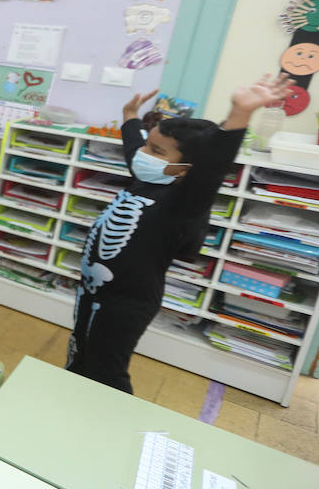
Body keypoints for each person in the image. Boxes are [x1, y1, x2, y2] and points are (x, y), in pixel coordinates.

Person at [68, 76, 289, 393]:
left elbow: (211, 169)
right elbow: (135, 150)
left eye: (155, 150)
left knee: (107, 369)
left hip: (127, 302)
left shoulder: (182, 203)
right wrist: (130, 116)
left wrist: (238, 115)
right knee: (81, 350)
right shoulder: (150, 177)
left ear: (187, 168)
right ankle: (72, 400)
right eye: (148, 145)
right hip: (92, 291)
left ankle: (109, 424)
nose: (143, 153)